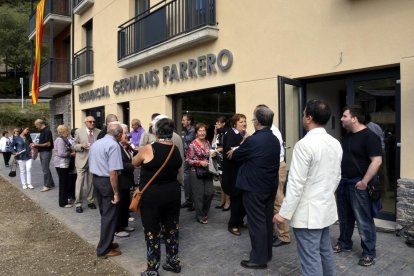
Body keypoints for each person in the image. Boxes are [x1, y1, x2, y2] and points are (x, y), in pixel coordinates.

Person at [274, 100, 342, 276]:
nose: (303, 116)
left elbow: (296, 184)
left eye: (304, 113)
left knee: (311, 258)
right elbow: (337, 177)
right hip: (325, 207)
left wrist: (283, 213)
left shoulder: (304, 145)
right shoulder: (335, 143)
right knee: (325, 251)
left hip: (308, 213)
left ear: (309, 117)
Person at [228, 106, 280, 269]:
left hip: (254, 188)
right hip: (269, 187)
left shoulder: (253, 140)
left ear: (257, 122)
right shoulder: (274, 139)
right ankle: (267, 253)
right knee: (265, 221)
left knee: (256, 223)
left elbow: (235, 156)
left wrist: (242, 143)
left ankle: (258, 259)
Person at [132, 118, 183, 276]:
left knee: (152, 231)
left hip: (152, 197)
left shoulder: (149, 148)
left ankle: (152, 269)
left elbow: (134, 162)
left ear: (156, 131)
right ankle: (173, 262)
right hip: (173, 194)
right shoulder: (175, 149)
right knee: (171, 229)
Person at [334, 105, 382, 267]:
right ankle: (345, 243)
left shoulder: (370, 137)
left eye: (344, 116)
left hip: (358, 185)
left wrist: (364, 182)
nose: (341, 119)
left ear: (354, 118)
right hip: (344, 183)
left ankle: (369, 252)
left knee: (363, 220)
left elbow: (377, 160)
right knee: (345, 217)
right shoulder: (347, 136)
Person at [255, 104, 291, 247]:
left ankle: (284, 235)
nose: (255, 120)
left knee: (277, 200)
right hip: (273, 167)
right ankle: (275, 232)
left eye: (255, 117)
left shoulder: (272, 132)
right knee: (272, 200)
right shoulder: (267, 130)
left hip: (276, 167)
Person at [89, 122, 123, 258]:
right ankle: (103, 249)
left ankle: (107, 242)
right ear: (119, 134)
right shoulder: (114, 145)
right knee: (109, 216)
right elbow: (113, 172)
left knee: (105, 214)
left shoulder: (97, 142)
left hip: (96, 180)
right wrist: (116, 192)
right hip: (107, 182)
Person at [222, 113, 248, 236]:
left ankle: (239, 221)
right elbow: (230, 154)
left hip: (241, 174)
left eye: (245, 121)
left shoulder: (241, 134)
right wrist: (244, 142)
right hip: (233, 175)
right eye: (241, 121)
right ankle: (233, 225)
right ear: (234, 123)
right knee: (237, 201)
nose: (244, 123)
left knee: (243, 200)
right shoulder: (230, 135)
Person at [186, 123, 214, 224]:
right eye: (200, 131)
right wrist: (199, 162)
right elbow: (188, 160)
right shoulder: (192, 145)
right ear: (196, 133)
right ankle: (200, 215)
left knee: (210, 193)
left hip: (207, 171)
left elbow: (209, 155)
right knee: (199, 195)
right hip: (196, 172)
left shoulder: (207, 143)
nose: (202, 133)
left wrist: (212, 154)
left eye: (204, 131)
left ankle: (204, 212)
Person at [73, 116, 101, 213]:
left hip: (93, 161)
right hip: (81, 160)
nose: (92, 123)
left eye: (94, 121)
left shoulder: (99, 132)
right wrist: (81, 146)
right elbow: (73, 145)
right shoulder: (79, 132)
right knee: (80, 183)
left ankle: (90, 201)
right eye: (90, 121)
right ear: (85, 122)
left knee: (91, 183)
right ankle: (78, 203)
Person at [114, 124, 136, 238]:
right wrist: (133, 164)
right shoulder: (116, 147)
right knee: (120, 205)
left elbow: (134, 154)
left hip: (127, 180)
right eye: (125, 133)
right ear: (119, 134)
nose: (128, 135)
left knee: (125, 204)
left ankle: (124, 224)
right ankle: (118, 228)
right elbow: (120, 164)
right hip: (121, 180)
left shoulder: (125, 146)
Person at [53, 125, 75, 208]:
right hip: (61, 164)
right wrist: (71, 154)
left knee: (65, 183)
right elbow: (61, 153)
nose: (68, 132)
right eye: (66, 131)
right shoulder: (60, 140)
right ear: (62, 132)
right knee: (63, 183)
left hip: (64, 164)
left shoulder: (64, 139)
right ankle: (63, 203)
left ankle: (64, 201)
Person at [33, 119, 55, 192]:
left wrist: (37, 145)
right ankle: (51, 184)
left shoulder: (47, 131)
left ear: (40, 124)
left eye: (36, 125)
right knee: (46, 169)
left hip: (46, 152)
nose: (36, 127)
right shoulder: (42, 131)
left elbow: (48, 144)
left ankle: (47, 185)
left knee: (45, 169)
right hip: (43, 152)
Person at [180, 114, 195, 211]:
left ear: (189, 121)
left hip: (192, 159)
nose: (182, 122)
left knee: (192, 181)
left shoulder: (194, 131)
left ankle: (193, 203)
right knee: (187, 181)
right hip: (187, 158)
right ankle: (189, 201)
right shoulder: (185, 131)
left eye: (184, 120)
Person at [67, 128, 77, 204]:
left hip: (77, 163)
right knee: (70, 180)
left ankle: (74, 195)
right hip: (71, 163)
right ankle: (70, 195)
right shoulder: (70, 142)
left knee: (75, 180)